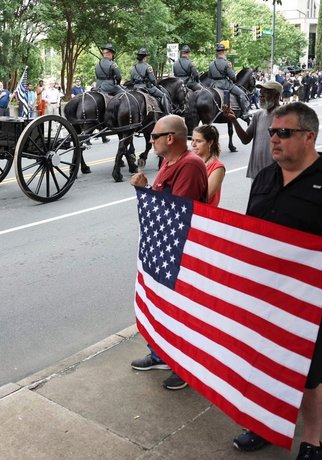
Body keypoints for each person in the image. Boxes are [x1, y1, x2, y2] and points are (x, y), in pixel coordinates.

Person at [232, 102, 322, 460]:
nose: (273, 139)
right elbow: (253, 232)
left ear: (309, 137)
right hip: (263, 296)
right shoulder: (264, 178)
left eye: (283, 133)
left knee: (310, 376)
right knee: (261, 362)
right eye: (272, 132)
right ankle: (263, 424)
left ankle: (311, 441)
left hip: (312, 303)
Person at [130, 114, 208, 391]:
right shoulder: (168, 162)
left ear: (171, 138)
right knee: (160, 304)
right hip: (162, 246)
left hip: (180, 250)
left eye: (154, 136)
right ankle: (159, 355)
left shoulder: (189, 165)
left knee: (180, 311)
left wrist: (146, 192)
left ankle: (184, 366)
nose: (150, 141)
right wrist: (147, 190)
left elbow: (177, 211)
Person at [222, 80, 282, 179]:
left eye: (265, 93)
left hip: (275, 173)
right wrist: (233, 120)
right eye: (261, 92)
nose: (261, 95)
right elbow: (245, 140)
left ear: (276, 96)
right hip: (256, 173)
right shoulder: (258, 115)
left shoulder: (285, 115)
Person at [208, 43, 251, 121]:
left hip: (214, 85)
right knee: (241, 94)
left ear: (217, 52)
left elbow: (210, 76)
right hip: (225, 84)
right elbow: (232, 77)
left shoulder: (211, 64)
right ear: (224, 52)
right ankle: (245, 113)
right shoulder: (226, 63)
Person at [130, 47, 171, 114]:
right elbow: (153, 80)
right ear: (145, 57)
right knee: (163, 95)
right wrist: (155, 84)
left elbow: (131, 81)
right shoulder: (148, 66)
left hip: (136, 88)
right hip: (147, 87)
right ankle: (167, 114)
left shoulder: (133, 68)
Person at [191, 125, 224, 206]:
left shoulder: (217, 168)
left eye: (198, 141)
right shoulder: (190, 161)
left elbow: (205, 195)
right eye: (192, 140)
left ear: (210, 143)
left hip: (203, 214)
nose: (193, 144)